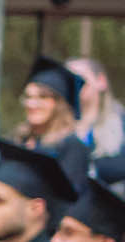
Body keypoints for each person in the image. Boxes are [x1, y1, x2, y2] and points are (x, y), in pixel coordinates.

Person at [19, 52, 93, 192]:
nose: (32, 104)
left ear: (59, 104)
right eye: (28, 97)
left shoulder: (72, 146)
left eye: (42, 97)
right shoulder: (20, 139)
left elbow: (69, 195)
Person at [72, 56, 124, 159]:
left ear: (101, 81)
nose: (73, 85)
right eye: (67, 80)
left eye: (79, 79)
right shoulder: (50, 128)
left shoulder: (121, 125)